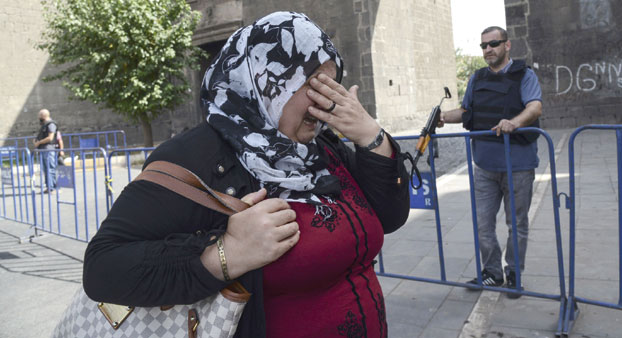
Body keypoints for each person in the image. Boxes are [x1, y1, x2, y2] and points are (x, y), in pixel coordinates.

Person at [82, 11, 410, 337]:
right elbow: (103, 268)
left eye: (331, 86)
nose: (325, 104)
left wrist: (372, 138)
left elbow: (389, 217)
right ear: (266, 82)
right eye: (313, 86)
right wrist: (225, 255)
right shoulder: (195, 156)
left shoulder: (321, 147)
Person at [438, 26, 542, 298]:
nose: (488, 49)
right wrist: (442, 118)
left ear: (507, 45)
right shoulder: (477, 78)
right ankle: (493, 272)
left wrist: (514, 122)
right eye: (483, 45)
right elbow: (465, 111)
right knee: (483, 224)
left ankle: (514, 273)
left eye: (493, 44)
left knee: (516, 224)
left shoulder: (524, 75)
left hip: (518, 165)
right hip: (484, 165)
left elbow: (534, 107)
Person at [33, 109, 60, 192]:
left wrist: (39, 142)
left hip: (49, 150)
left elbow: (50, 138)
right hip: (44, 150)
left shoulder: (51, 124)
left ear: (44, 116)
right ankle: (49, 187)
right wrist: (36, 141)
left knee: (50, 169)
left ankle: (53, 188)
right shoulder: (44, 125)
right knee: (46, 169)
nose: (39, 118)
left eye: (40, 116)